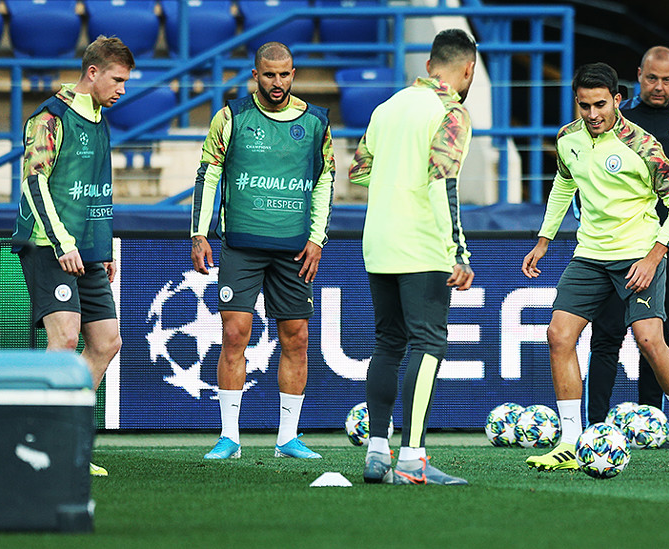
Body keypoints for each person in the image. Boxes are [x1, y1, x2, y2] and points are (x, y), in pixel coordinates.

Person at [521, 62, 669, 473]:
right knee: (558, 335)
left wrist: (653, 257)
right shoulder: (568, 139)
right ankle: (569, 442)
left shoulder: (642, 146)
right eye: (585, 105)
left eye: (601, 105)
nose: (593, 115)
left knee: (649, 341)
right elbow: (563, 184)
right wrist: (544, 240)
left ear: (618, 100)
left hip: (638, 253)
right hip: (589, 254)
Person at [190, 42, 334, 461]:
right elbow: (209, 173)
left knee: (297, 338)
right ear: (255, 75)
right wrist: (200, 232)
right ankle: (229, 438)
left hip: (294, 249)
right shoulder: (231, 117)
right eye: (269, 74)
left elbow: (326, 180)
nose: (278, 82)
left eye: (285, 74)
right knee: (234, 335)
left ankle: (287, 438)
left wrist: (317, 238)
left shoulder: (315, 122)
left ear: (294, 73)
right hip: (241, 245)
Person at [349, 28, 477, 485]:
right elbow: (444, 181)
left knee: (387, 343)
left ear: (428, 66)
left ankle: (377, 452)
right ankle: (413, 458)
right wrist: (458, 250)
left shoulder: (387, 107)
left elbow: (360, 170)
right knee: (428, 344)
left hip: (378, 241)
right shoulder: (451, 111)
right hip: (422, 244)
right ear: (469, 70)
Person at [12, 35, 135, 477]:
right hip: (49, 246)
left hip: (86, 251)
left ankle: (61, 438)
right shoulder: (49, 118)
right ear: (93, 73)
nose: (123, 89)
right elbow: (33, 182)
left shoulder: (100, 118)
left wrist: (102, 248)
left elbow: (97, 191)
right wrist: (63, 242)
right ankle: (35, 440)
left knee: (106, 342)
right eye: (118, 79)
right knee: (64, 340)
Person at [584, 46, 669, 447]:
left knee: (656, 339)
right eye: (651, 78)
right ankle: (596, 429)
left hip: (667, 247)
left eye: (667, 80)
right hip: (617, 246)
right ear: (638, 75)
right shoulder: (615, 122)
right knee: (606, 334)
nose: (659, 87)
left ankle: (652, 428)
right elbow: (580, 186)